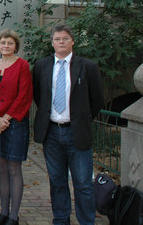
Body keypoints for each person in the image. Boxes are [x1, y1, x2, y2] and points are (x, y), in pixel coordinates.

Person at [33, 24, 104, 225]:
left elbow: (97, 99)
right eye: (57, 39)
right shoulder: (41, 66)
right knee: (57, 181)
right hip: (52, 133)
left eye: (65, 38)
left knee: (82, 183)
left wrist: (81, 119)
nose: (61, 42)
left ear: (73, 41)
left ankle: (86, 220)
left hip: (77, 132)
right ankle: (61, 219)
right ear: (52, 42)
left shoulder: (87, 66)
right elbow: (40, 96)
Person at [0, 29, 33, 225]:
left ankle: (14, 216)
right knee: (1, 168)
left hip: (15, 123)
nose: (6, 46)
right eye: (3, 43)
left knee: (14, 168)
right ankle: (3, 213)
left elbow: (24, 95)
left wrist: (5, 119)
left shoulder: (22, 65)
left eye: (10, 43)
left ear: (15, 46)